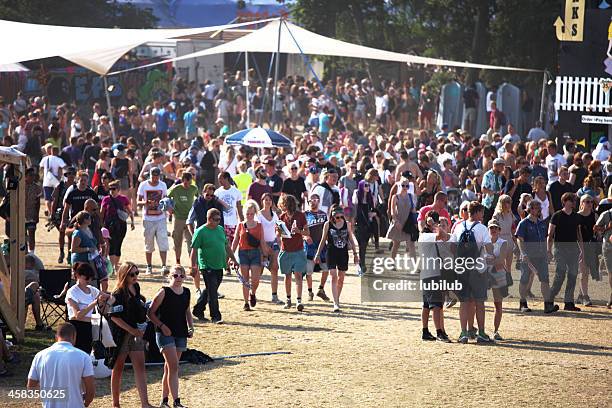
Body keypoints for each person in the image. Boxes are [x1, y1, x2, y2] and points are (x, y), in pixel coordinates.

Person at [147, 265, 193, 408]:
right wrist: (161, 326)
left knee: (169, 368)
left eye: (181, 276)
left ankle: (164, 401)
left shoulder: (186, 292)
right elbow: (150, 313)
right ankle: (176, 402)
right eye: (175, 275)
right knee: (174, 367)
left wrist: (191, 326)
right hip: (164, 333)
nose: (178, 278)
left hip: (180, 332)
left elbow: (187, 311)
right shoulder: (163, 292)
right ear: (169, 276)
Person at [108, 262, 152, 408]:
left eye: (137, 273)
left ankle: (145, 403)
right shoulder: (118, 294)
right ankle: (115, 404)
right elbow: (114, 316)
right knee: (118, 368)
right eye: (132, 274)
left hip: (136, 333)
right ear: (124, 275)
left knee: (140, 367)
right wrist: (132, 330)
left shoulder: (136, 287)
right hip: (122, 335)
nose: (135, 277)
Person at [451, 201, 494, 344]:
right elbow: (489, 249)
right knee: (479, 302)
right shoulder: (482, 228)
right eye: (481, 212)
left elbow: (452, 247)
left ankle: (463, 333)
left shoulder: (458, 227)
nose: (483, 215)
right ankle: (481, 333)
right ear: (476, 212)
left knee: (464, 302)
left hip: (462, 268)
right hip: (478, 269)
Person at [27, 323, 95, 408]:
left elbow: (31, 387)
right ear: (74, 337)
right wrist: (85, 404)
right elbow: (90, 391)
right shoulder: (84, 357)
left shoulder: (39, 356)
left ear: (56, 337)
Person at [191, 208, 238, 323]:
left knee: (210, 289)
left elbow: (227, 246)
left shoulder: (220, 229)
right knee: (213, 293)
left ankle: (198, 309)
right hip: (207, 266)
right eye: (216, 219)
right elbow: (194, 250)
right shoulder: (201, 231)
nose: (218, 222)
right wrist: (193, 266)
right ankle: (216, 316)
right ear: (209, 219)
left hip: (219, 265)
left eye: (219, 219)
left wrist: (234, 259)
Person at [515, 199, 559, 313]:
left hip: (541, 256)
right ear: (529, 209)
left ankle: (547, 305)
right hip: (528, 257)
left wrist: (548, 252)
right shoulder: (523, 223)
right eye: (535, 207)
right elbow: (520, 240)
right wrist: (523, 253)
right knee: (525, 279)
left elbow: (545, 239)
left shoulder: (541, 223)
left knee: (545, 279)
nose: (538, 210)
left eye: (539, 208)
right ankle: (522, 303)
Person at [314, 205, 358, 312]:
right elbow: (323, 240)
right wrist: (318, 254)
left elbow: (351, 239)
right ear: (332, 216)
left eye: (340, 217)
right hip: (331, 252)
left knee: (341, 278)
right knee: (333, 275)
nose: (338, 219)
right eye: (336, 217)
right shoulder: (327, 224)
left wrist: (356, 254)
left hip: (343, 253)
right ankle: (336, 303)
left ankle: (337, 298)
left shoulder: (347, 224)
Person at [417, 213, 452, 342]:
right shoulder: (426, 235)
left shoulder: (426, 235)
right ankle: (439, 333)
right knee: (437, 305)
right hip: (431, 274)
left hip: (428, 274)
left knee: (426, 305)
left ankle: (425, 331)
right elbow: (442, 235)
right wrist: (434, 225)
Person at [547, 192, 583, 311]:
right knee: (560, 275)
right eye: (572, 200)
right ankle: (549, 300)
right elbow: (550, 235)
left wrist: (582, 250)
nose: (574, 202)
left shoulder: (577, 217)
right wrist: (548, 250)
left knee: (572, 276)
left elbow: (579, 235)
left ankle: (569, 303)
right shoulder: (557, 215)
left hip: (573, 250)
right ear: (565, 201)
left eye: (574, 200)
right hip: (560, 249)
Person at [66, 262, 110, 353]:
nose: (89, 280)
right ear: (78, 275)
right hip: (76, 327)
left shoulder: (92, 289)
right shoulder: (72, 292)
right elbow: (78, 315)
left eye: (91, 278)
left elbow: (109, 298)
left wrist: (108, 302)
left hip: (89, 327)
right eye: (86, 278)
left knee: (87, 353)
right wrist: (95, 303)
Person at [232, 200, 267, 311]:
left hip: (256, 253)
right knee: (245, 279)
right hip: (243, 253)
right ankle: (246, 302)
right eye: (247, 214)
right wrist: (231, 256)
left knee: (255, 279)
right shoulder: (241, 225)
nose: (249, 216)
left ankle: (253, 293)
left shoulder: (259, 226)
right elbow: (235, 241)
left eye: (252, 213)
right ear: (244, 213)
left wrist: (265, 255)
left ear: (255, 213)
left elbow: (262, 241)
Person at [277, 194, 310, 311]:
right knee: (287, 276)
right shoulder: (281, 217)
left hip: (298, 250)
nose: (281, 206)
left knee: (298, 276)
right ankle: (288, 299)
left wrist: (299, 231)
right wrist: (279, 232)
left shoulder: (300, 216)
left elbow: (307, 233)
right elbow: (278, 235)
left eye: (282, 204)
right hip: (285, 250)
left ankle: (299, 301)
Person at [137, 167, 169, 276]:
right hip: (148, 218)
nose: (155, 178)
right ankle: (149, 266)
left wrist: (166, 206)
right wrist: (145, 202)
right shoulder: (143, 185)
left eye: (157, 176)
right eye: (153, 176)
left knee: (163, 242)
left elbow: (166, 199)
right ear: (149, 175)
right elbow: (138, 201)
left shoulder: (163, 185)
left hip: (161, 218)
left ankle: (164, 266)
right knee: (148, 243)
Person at [61, 171, 99, 262]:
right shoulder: (72, 193)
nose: (83, 182)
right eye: (81, 180)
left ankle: (91, 256)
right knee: (73, 237)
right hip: (76, 219)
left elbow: (97, 208)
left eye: (85, 180)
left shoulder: (91, 193)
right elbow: (66, 209)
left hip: (88, 220)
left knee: (90, 238)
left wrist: (99, 221)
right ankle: (71, 257)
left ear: (87, 181)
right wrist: (63, 222)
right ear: (77, 180)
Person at [100, 180, 135, 272]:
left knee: (118, 245)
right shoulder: (106, 199)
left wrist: (132, 222)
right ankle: (111, 267)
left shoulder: (123, 199)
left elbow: (130, 211)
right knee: (111, 245)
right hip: (109, 225)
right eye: (110, 189)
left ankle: (116, 266)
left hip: (121, 225)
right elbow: (102, 213)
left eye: (113, 189)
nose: (111, 190)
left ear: (118, 189)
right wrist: (100, 225)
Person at [484, 219, 511, 341]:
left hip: (498, 275)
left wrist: (489, 261)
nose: (493, 230)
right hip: (484, 274)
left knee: (497, 304)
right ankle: (478, 329)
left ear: (499, 230)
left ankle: (496, 331)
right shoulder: (484, 242)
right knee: (477, 303)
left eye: (496, 228)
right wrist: (492, 261)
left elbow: (501, 261)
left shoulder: (503, 242)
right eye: (491, 228)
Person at [168, 172, 198, 265]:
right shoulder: (175, 189)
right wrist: (169, 209)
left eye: (189, 183)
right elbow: (166, 198)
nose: (187, 185)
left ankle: (192, 263)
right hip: (178, 218)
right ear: (182, 180)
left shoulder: (194, 188)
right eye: (185, 183)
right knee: (177, 241)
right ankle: (178, 261)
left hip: (190, 219)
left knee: (191, 241)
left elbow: (198, 198)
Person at [258, 193, 283, 303]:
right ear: (262, 201)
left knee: (274, 269)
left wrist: (279, 239)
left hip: (273, 244)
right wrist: (263, 246)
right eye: (265, 199)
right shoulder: (258, 215)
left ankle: (274, 295)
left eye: (269, 200)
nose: (268, 202)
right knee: (258, 271)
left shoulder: (275, 215)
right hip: (261, 244)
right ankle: (252, 293)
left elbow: (277, 229)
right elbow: (258, 231)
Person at [215, 171, 244, 260]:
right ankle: (226, 264)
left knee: (231, 245)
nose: (219, 180)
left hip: (233, 223)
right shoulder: (217, 192)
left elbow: (239, 209)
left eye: (221, 178)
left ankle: (228, 261)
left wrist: (242, 223)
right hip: (221, 223)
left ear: (226, 178)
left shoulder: (236, 192)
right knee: (223, 245)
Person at [387, 176, 417, 259]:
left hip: (408, 223)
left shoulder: (411, 196)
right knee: (396, 244)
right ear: (400, 185)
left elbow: (413, 210)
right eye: (403, 185)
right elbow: (393, 211)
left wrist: (416, 222)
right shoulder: (395, 197)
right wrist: (396, 222)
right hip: (399, 222)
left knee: (411, 245)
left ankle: (415, 265)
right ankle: (392, 263)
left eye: (407, 186)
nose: (405, 188)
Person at [576, 195, 598, 307]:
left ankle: (580, 295)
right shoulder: (577, 216)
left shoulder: (595, 215)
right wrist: (581, 250)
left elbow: (598, 232)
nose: (590, 204)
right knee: (583, 272)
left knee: (586, 272)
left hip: (591, 246)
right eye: (587, 202)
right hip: (579, 246)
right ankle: (585, 297)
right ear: (582, 203)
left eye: (591, 202)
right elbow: (578, 235)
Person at [353, 180, 376, 275]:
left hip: (368, 223)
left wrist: (373, 214)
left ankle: (362, 263)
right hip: (358, 223)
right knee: (360, 244)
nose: (368, 187)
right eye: (365, 185)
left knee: (364, 245)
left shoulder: (371, 197)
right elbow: (354, 206)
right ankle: (361, 265)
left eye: (369, 185)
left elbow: (374, 210)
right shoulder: (357, 195)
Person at [491, 195, 515, 275]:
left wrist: (515, 242)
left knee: (509, 264)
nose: (508, 204)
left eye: (509, 202)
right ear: (502, 203)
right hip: (500, 240)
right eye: (506, 202)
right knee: (500, 264)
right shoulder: (496, 215)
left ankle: (508, 280)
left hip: (509, 239)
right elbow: (492, 230)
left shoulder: (511, 214)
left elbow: (513, 229)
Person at [39, 144, 65, 217]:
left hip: (46, 180)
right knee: (55, 198)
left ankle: (50, 213)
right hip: (56, 181)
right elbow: (63, 168)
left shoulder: (45, 159)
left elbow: (41, 167)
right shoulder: (59, 159)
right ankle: (53, 213)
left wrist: (43, 174)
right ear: (58, 152)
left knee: (47, 199)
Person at [482, 158, 505, 223]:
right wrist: (493, 192)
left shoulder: (500, 176)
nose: (503, 167)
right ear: (496, 165)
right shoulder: (488, 175)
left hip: (497, 206)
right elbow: (483, 189)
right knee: (486, 223)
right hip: (488, 205)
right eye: (501, 165)